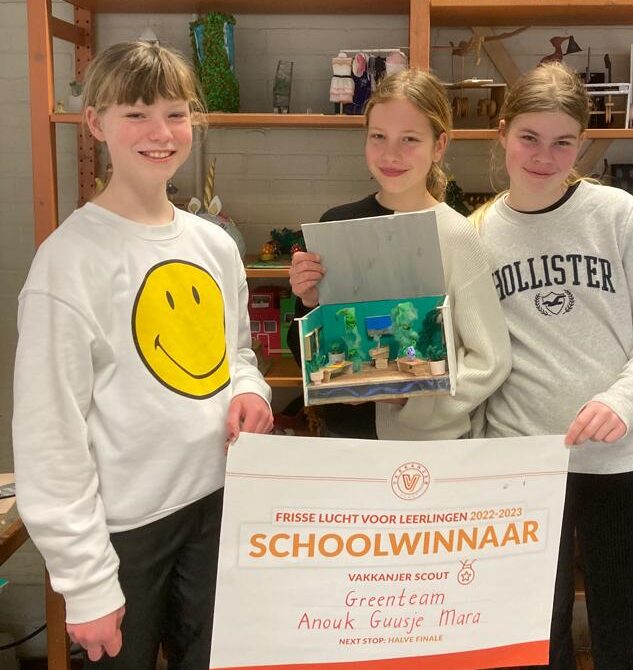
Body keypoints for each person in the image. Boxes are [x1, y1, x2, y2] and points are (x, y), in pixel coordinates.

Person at [12, 41, 273, 669]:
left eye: (176, 114)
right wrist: (85, 581)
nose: (160, 132)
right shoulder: (68, 261)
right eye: (136, 114)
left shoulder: (214, 245)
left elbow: (235, 353)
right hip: (124, 530)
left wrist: (250, 390)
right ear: (95, 122)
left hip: (217, 503)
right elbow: (50, 433)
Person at [471, 61, 633, 670]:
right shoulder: (476, 234)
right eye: (529, 137)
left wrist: (622, 400)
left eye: (563, 142)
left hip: (618, 463)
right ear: (502, 132)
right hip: (522, 464)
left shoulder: (618, 215)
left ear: (582, 144)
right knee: (536, 643)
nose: (544, 157)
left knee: (624, 640)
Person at [288, 68, 511, 440]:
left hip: (427, 448)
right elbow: (305, 357)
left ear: (439, 146)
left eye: (410, 139)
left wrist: (411, 398)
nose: (391, 154)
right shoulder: (337, 225)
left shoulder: (456, 235)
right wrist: (309, 302)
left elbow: (490, 360)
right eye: (378, 136)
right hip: (347, 444)